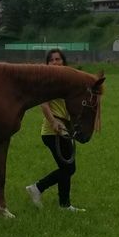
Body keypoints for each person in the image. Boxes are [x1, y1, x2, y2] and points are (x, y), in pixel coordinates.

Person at [25, 49, 86, 212]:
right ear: (47, 64)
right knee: (69, 168)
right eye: (51, 60)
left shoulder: (66, 81)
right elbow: (44, 105)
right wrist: (53, 122)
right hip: (53, 131)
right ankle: (37, 188)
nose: (55, 62)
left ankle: (64, 204)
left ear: (63, 61)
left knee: (66, 167)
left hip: (65, 129)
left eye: (58, 59)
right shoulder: (47, 82)